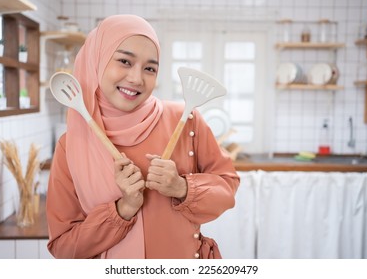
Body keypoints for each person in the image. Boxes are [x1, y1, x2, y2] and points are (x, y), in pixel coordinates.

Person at [46, 14, 240, 259]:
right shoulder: (70, 145)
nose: (136, 78)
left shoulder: (185, 119)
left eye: (150, 68)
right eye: (125, 61)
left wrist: (181, 187)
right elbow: (63, 247)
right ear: (97, 60)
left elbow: (227, 187)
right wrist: (122, 209)